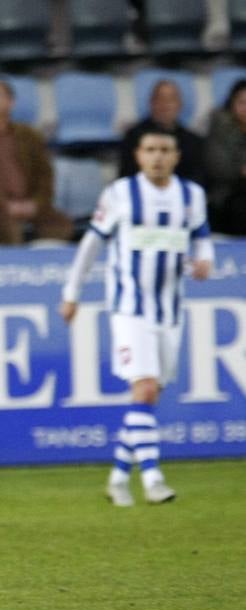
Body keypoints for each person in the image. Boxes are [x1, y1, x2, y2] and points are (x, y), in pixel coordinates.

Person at [59, 126, 213, 507]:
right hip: (129, 308)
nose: (158, 156)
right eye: (150, 149)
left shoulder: (191, 195)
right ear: (138, 155)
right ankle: (153, 479)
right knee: (143, 388)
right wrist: (71, 293)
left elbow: (202, 237)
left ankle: (117, 477)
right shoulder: (120, 194)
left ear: (176, 156)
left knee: (148, 397)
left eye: (165, 149)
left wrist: (205, 259)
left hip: (170, 310)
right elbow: (92, 242)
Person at [0, 78, 72, 244]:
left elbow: (45, 176)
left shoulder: (30, 135)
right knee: (7, 224)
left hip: (27, 204)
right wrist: (4, 204)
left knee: (61, 223)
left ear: (11, 102)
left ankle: (43, 264)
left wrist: (35, 204)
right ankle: (12, 267)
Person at [118, 79, 206, 187]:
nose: (165, 105)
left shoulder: (193, 141)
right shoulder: (134, 137)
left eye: (171, 99)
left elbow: (196, 180)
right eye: (160, 99)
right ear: (151, 102)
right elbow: (126, 178)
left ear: (180, 104)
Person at [205, 78, 246, 236]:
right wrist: (240, 171)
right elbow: (217, 167)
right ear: (232, 104)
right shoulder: (219, 128)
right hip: (226, 196)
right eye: (242, 102)